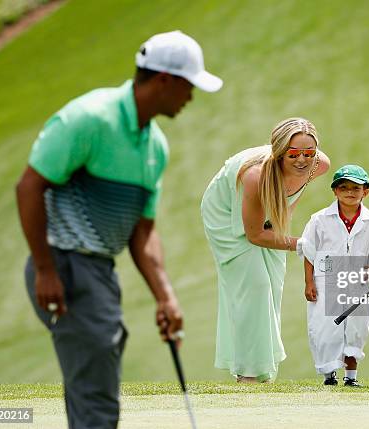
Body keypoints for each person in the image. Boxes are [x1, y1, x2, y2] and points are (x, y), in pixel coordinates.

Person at [15, 30, 222, 428]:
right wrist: (45, 268)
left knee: (92, 389)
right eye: (188, 86)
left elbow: (142, 232)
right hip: (66, 266)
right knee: (97, 402)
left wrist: (166, 297)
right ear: (164, 80)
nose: (191, 97)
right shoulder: (89, 118)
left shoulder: (154, 147)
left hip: (98, 273)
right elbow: (29, 186)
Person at [201, 118, 330, 383]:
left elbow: (291, 196)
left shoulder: (319, 166)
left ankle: (264, 371)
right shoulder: (255, 176)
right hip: (224, 213)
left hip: (265, 212)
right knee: (255, 286)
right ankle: (248, 373)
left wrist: (281, 225)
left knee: (273, 284)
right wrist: (302, 244)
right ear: (280, 152)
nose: (302, 160)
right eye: (293, 154)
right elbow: (255, 234)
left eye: (309, 153)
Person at [298, 165, 369, 387]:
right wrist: (309, 282)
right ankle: (329, 376)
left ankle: (351, 377)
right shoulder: (319, 219)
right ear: (335, 191)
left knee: (356, 329)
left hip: (357, 283)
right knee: (325, 329)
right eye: (343, 187)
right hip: (326, 281)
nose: (349, 192)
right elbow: (309, 253)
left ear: (365, 192)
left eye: (355, 188)